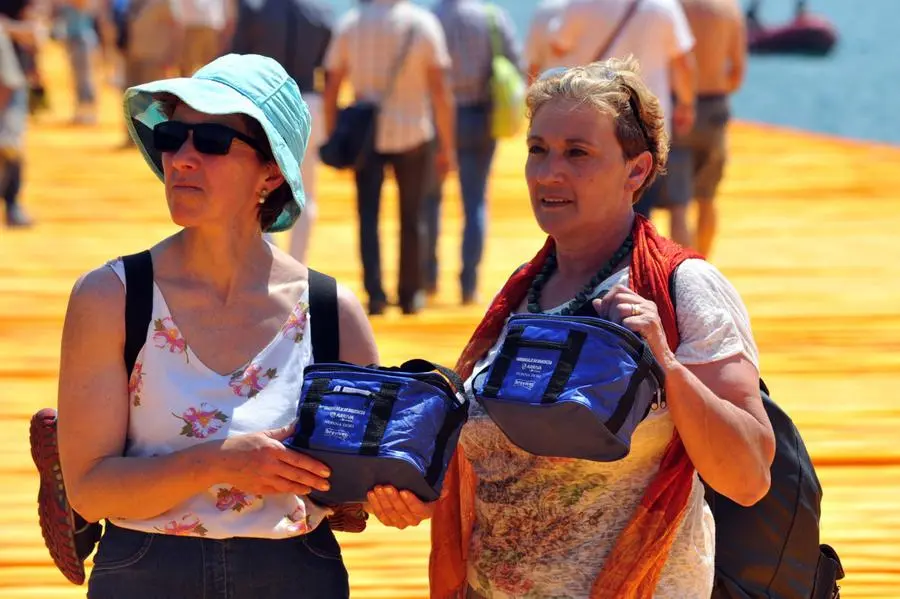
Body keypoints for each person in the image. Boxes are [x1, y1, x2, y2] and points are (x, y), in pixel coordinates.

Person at [420, 58, 772, 598]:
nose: (548, 172)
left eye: (577, 153)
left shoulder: (679, 289)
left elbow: (748, 476)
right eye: (538, 149)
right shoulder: (520, 294)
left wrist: (667, 364)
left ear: (636, 171)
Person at [55, 54, 383, 597]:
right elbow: (90, 490)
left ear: (271, 171)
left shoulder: (331, 312)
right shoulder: (112, 297)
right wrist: (218, 463)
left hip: (296, 573)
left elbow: (365, 477)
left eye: (209, 140)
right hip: (145, 571)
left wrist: (397, 494)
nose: (182, 158)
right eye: (172, 135)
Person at [323, 0, 456, 316]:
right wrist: (448, 146)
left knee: (367, 217)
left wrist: (335, 138)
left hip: (365, 136)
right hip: (413, 131)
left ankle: (376, 295)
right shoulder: (422, 24)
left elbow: (332, 85)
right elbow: (439, 90)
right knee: (413, 218)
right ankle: (410, 295)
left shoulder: (351, 23)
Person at [425, 0, 522, 305]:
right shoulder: (492, 18)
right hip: (480, 116)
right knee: (476, 202)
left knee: (430, 202)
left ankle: (428, 279)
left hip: (437, 117)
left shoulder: (430, 18)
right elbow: (515, 66)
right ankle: (469, 285)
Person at [230, 0, 334, 264]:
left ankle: (272, 260)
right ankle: (297, 265)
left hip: (265, 103)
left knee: (258, 187)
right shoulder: (321, 12)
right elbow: (328, 65)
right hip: (308, 102)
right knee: (306, 194)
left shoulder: (256, 10)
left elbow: (235, 59)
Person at [675, 0, 746, 256]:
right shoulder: (728, 8)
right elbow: (737, 71)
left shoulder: (671, 6)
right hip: (714, 105)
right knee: (706, 198)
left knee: (678, 204)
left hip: (677, 107)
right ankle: (703, 267)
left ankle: (679, 274)